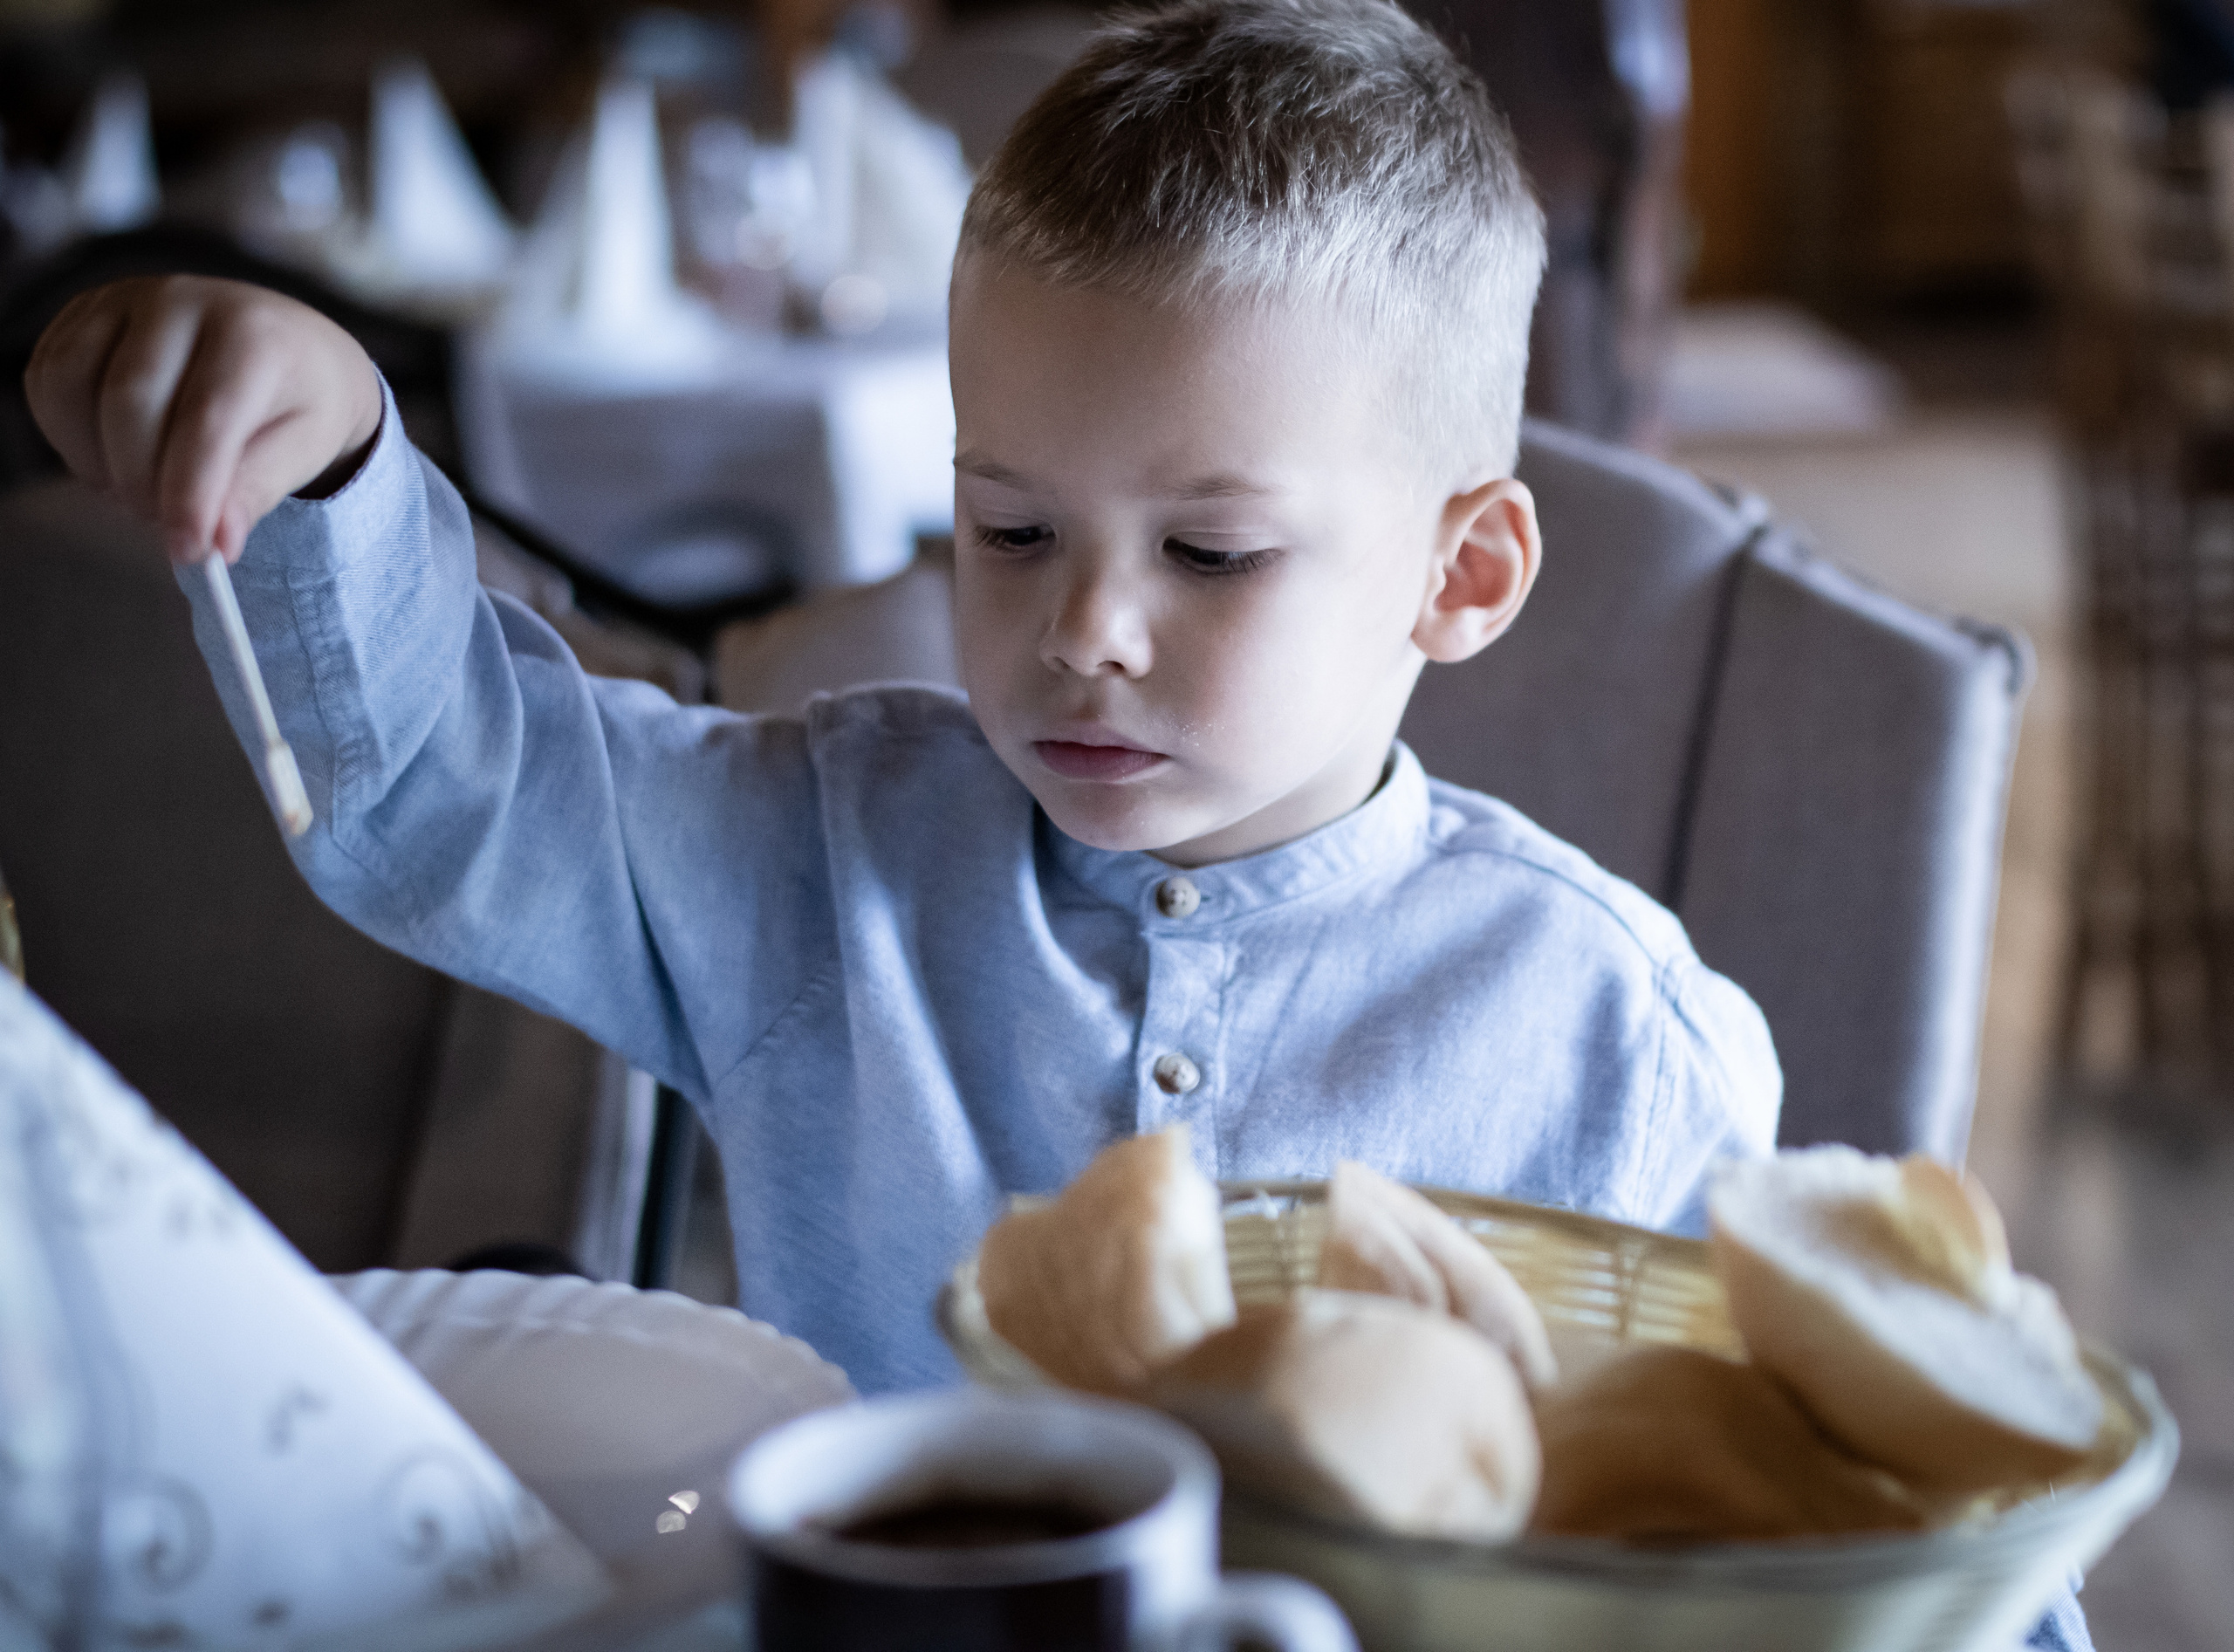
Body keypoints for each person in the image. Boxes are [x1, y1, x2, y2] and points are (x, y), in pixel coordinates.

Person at [27, 0, 1776, 1395]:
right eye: (1009, 525)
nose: (1082, 626)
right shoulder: (816, 863)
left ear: (1455, 573)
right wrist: (330, 450)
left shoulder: (1612, 1042)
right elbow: (446, 784)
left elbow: (1828, 1524)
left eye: (1211, 552)